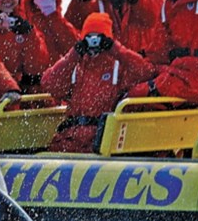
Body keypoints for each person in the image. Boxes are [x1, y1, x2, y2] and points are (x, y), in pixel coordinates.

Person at [41, 12, 157, 153]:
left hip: (102, 139)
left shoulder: (119, 67)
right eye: (89, 38)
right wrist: (74, 54)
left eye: (99, 37)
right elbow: (49, 84)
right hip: (70, 138)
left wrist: (115, 48)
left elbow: (147, 72)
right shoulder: (76, 66)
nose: (94, 42)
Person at [23, 0, 79, 65]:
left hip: (52, 75)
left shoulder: (57, 18)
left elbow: (73, 49)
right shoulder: (22, 11)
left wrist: (52, 15)